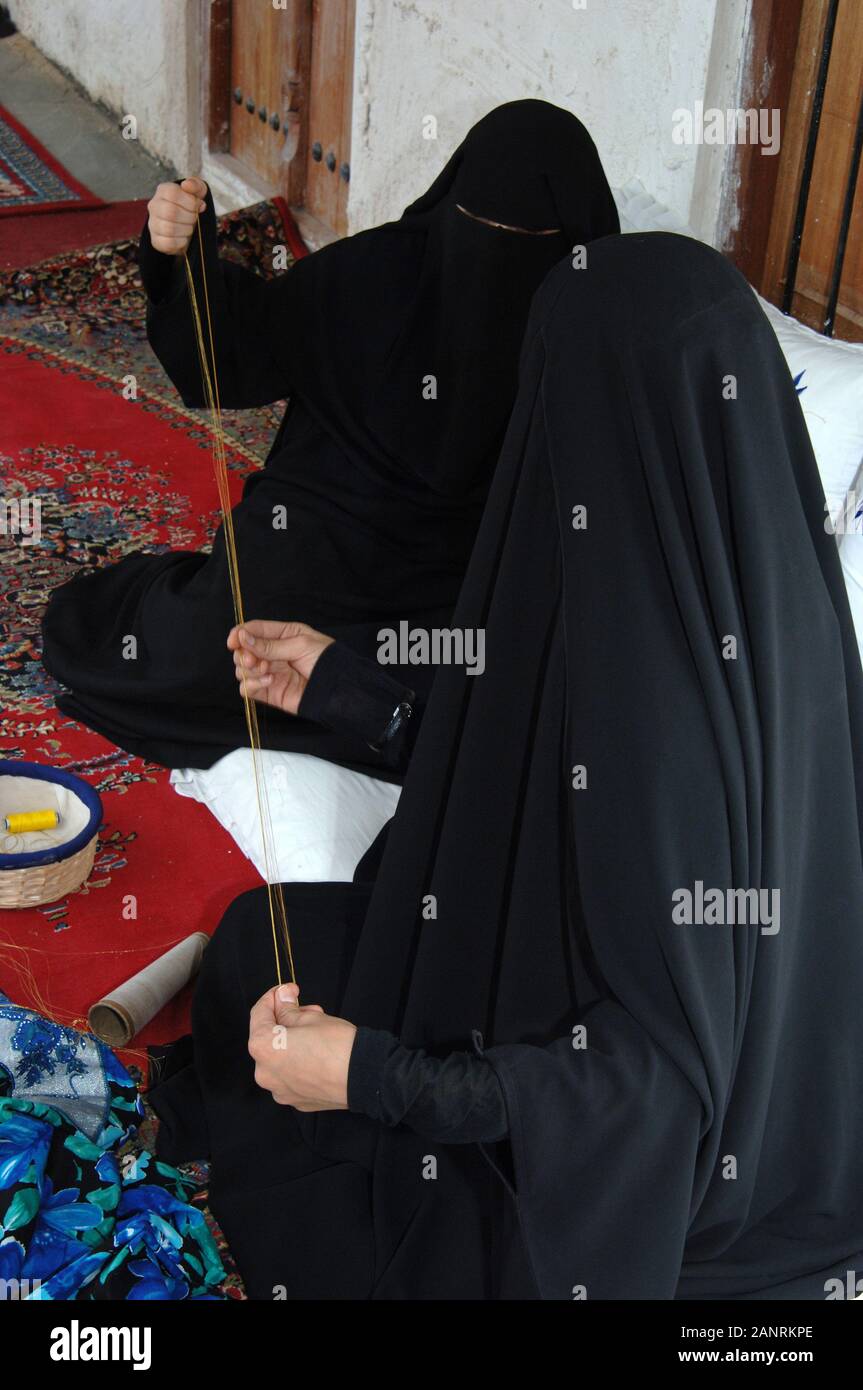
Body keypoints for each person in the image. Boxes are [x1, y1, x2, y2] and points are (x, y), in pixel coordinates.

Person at [151, 231, 863, 1301]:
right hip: (770, 1087)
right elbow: (533, 771)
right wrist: (353, 692)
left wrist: (374, 1076)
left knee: (362, 1182)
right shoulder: (762, 590)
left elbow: (648, 1097)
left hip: (634, 1196)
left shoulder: (654, 699)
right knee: (260, 943)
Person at [41, 100, 619, 780]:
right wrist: (177, 260)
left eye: (523, 237)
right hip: (315, 537)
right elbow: (235, 354)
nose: (491, 257)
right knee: (209, 655)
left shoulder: (596, 335)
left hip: (459, 580)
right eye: (477, 227)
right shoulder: (377, 272)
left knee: (476, 708)